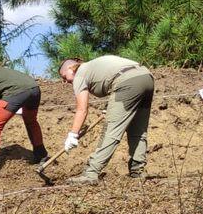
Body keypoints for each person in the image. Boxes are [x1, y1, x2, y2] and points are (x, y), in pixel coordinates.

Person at [58, 55, 154, 185]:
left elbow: (82, 109)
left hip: (127, 83)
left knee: (111, 132)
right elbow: (113, 79)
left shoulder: (80, 73)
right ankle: (138, 171)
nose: (65, 82)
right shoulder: (92, 67)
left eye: (64, 77)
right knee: (138, 129)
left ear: (71, 68)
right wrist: (109, 107)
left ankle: (90, 173)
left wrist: (73, 134)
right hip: (146, 78)